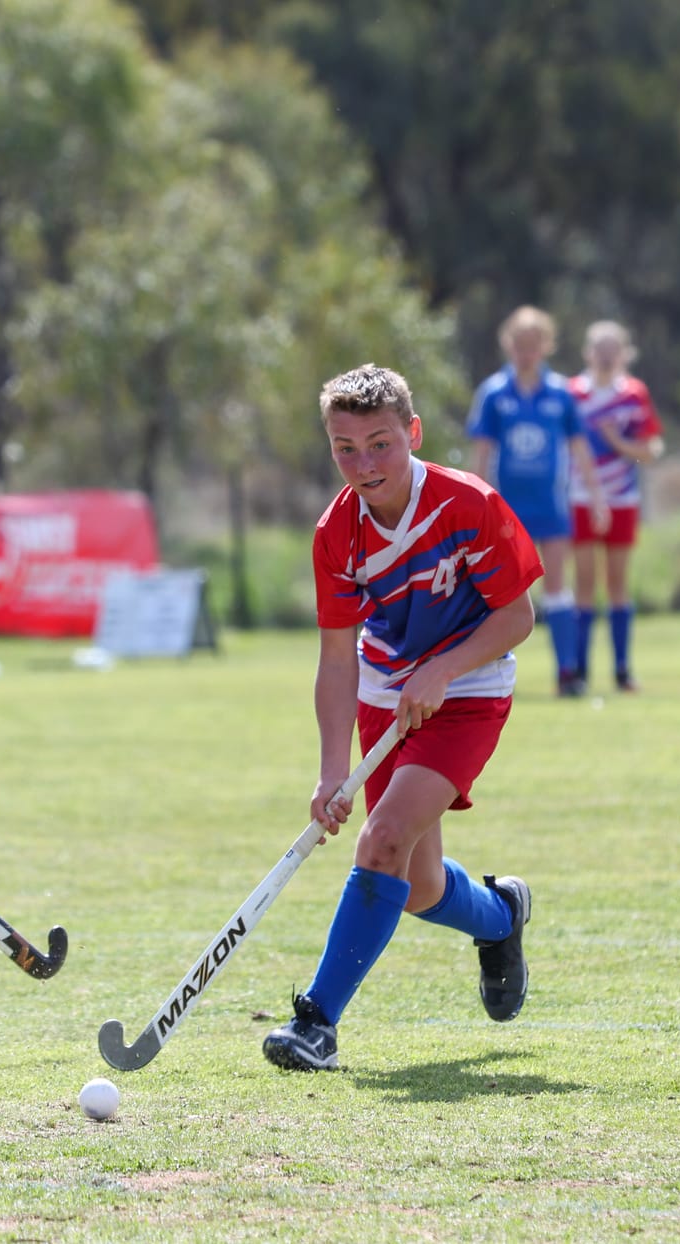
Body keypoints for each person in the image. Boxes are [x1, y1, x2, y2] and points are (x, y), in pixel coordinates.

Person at [261, 364, 543, 1071]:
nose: (364, 464)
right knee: (415, 886)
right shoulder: (336, 535)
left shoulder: (467, 503)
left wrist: (444, 669)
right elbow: (336, 659)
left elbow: (517, 616)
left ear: (412, 434)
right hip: (385, 693)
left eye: (380, 443)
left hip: (470, 688)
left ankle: (316, 1024)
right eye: (345, 448)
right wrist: (331, 772)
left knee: (381, 840)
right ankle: (502, 915)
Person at [468, 306, 607, 697]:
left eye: (533, 344)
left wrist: (597, 496)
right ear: (507, 344)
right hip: (507, 511)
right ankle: (492, 677)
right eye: (519, 344)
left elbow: (579, 448)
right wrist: (475, 502)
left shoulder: (561, 394)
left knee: (557, 588)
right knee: (501, 591)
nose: (526, 352)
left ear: (546, 346)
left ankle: (567, 672)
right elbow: (481, 453)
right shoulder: (494, 394)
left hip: (550, 507)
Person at [566, 321, 665, 692]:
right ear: (588, 353)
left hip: (622, 498)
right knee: (585, 583)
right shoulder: (572, 393)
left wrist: (618, 444)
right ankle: (579, 672)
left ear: (624, 353)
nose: (606, 357)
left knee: (618, 583)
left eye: (613, 350)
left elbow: (651, 450)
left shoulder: (634, 394)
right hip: (580, 498)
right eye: (599, 349)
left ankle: (623, 671)